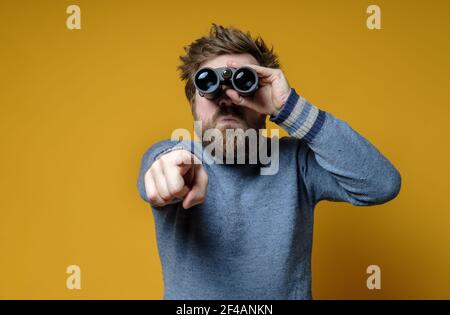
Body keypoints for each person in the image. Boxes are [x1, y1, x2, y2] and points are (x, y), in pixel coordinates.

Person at [137, 24, 401, 299]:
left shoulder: (297, 162)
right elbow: (157, 168)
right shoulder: (176, 157)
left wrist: (290, 107)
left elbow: (382, 184)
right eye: (209, 84)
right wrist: (167, 170)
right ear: (193, 102)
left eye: (244, 83)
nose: (228, 99)